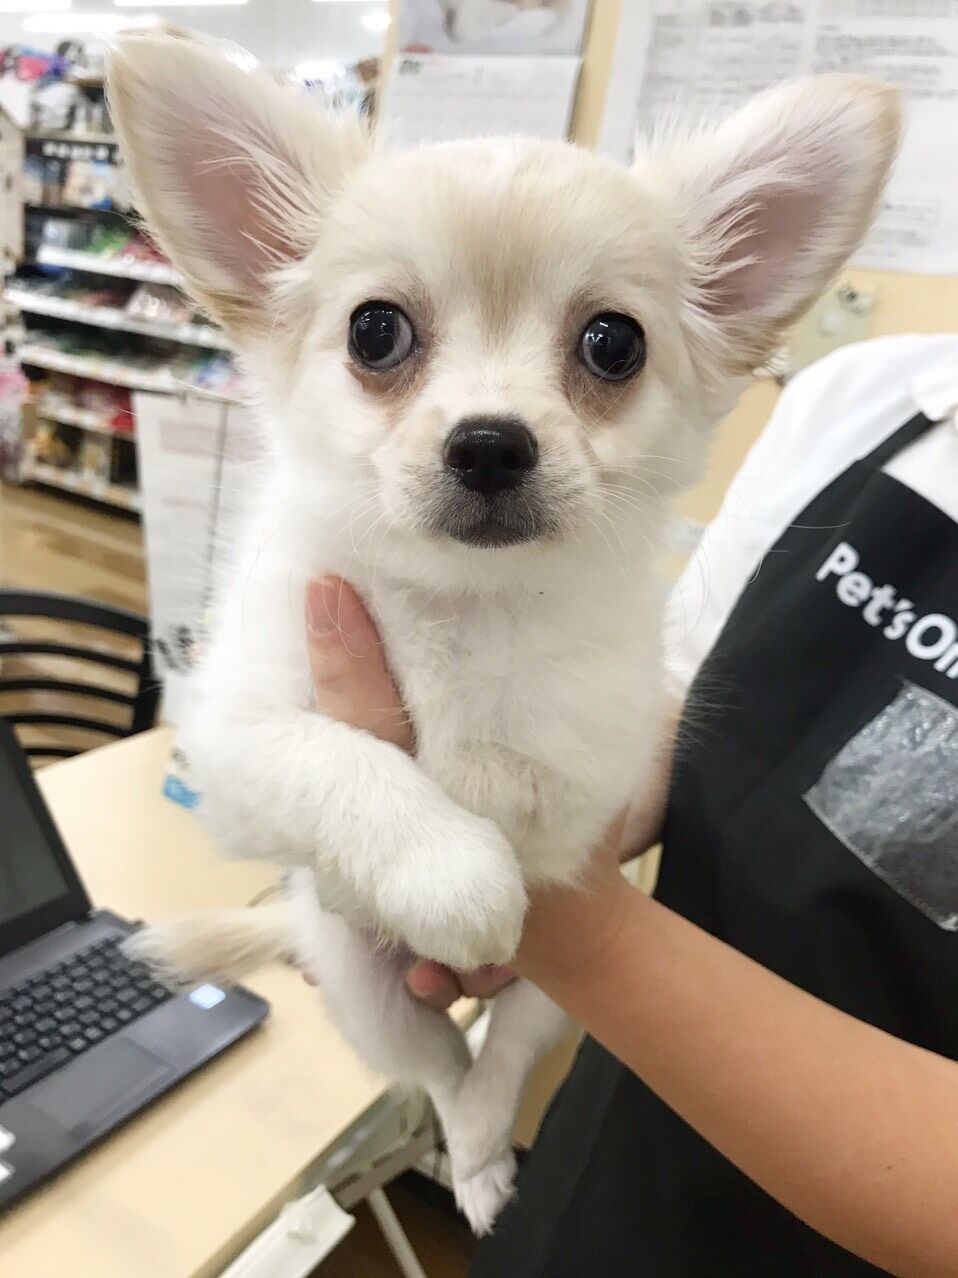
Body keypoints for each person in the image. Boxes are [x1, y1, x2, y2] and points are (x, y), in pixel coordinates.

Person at [303, 333, 958, 1276]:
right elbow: (676, 706)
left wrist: (574, 929)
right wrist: (480, 824)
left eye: (604, 354)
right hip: (621, 1152)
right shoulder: (870, 398)